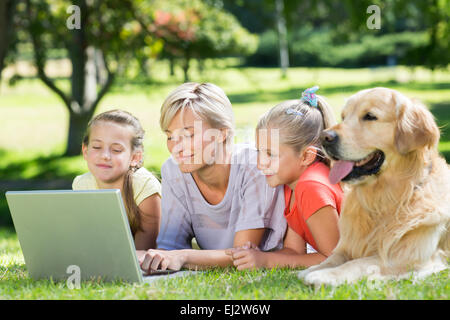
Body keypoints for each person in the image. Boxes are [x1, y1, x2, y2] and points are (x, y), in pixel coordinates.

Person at [139, 82, 287, 273]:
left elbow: (242, 255)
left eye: (189, 135)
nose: (176, 147)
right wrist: (154, 256)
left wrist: (183, 256)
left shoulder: (255, 166)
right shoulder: (173, 170)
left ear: (222, 133)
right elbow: (170, 246)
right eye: (170, 137)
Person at [227, 86, 343, 270]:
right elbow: (294, 252)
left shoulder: (311, 187)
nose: (260, 163)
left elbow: (337, 260)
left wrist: (267, 261)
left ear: (306, 156)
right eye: (259, 152)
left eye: (270, 154)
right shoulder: (292, 184)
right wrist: (257, 256)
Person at [72, 109, 162, 251]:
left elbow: (143, 253)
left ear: (135, 158)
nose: (105, 156)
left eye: (116, 150)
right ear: (85, 151)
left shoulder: (144, 186)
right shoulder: (82, 184)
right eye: (96, 147)